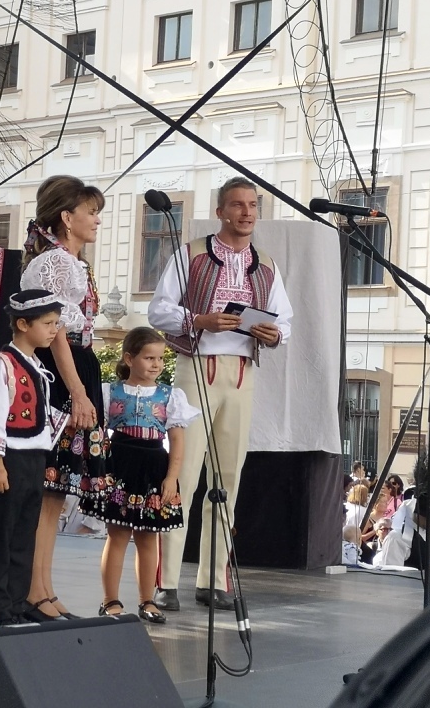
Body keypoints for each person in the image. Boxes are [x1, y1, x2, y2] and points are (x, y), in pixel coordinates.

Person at [148, 176, 293, 612]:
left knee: (227, 479)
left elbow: (285, 321)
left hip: (243, 372)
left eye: (253, 205)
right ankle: (165, 581)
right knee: (183, 474)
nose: (247, 212)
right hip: (197, 368)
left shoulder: (265, 265)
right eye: (237, 204)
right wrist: (200, 320)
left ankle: (213, 579)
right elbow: (158, 310)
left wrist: (273, 333)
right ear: (221, 211)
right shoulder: (193, 253)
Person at [20, 175, 106, 621]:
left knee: (55, 491)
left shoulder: (73, 263)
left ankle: (44, 588)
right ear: (67, 217)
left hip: (77, 365)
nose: (97, 220)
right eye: (91, 212)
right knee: (47, 487)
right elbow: (54, 333)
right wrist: (76, 391)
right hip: (61, 372)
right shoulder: (55, 262)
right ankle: (34, 591)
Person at [94, 328, 199, 624]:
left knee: (149, 537)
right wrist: (99, 470)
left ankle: (147, 600)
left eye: (160, 358)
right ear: (129, 359)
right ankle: (110, 600)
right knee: (117, 534)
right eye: (149, 358)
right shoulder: (110, 392)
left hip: (154, 467)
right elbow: (99, 434)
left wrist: (171, 477)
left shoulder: (170, 396)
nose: (156, 364)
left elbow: (177, 441)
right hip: (120, 465)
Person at [0, 289, 62, 626]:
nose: (54, 330)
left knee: (24, 536)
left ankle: (17, 602)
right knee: (0, 537)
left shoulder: (36, 366)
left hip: (33, 460)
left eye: (56, 323)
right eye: (48, 323)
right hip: (8, 461)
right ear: (23, 324)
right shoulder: (3, 364)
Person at [375, 489, 430, 571]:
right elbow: (392, 574)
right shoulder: (397, 538)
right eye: (427, 517)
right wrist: (428, 572)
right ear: (416, 513)